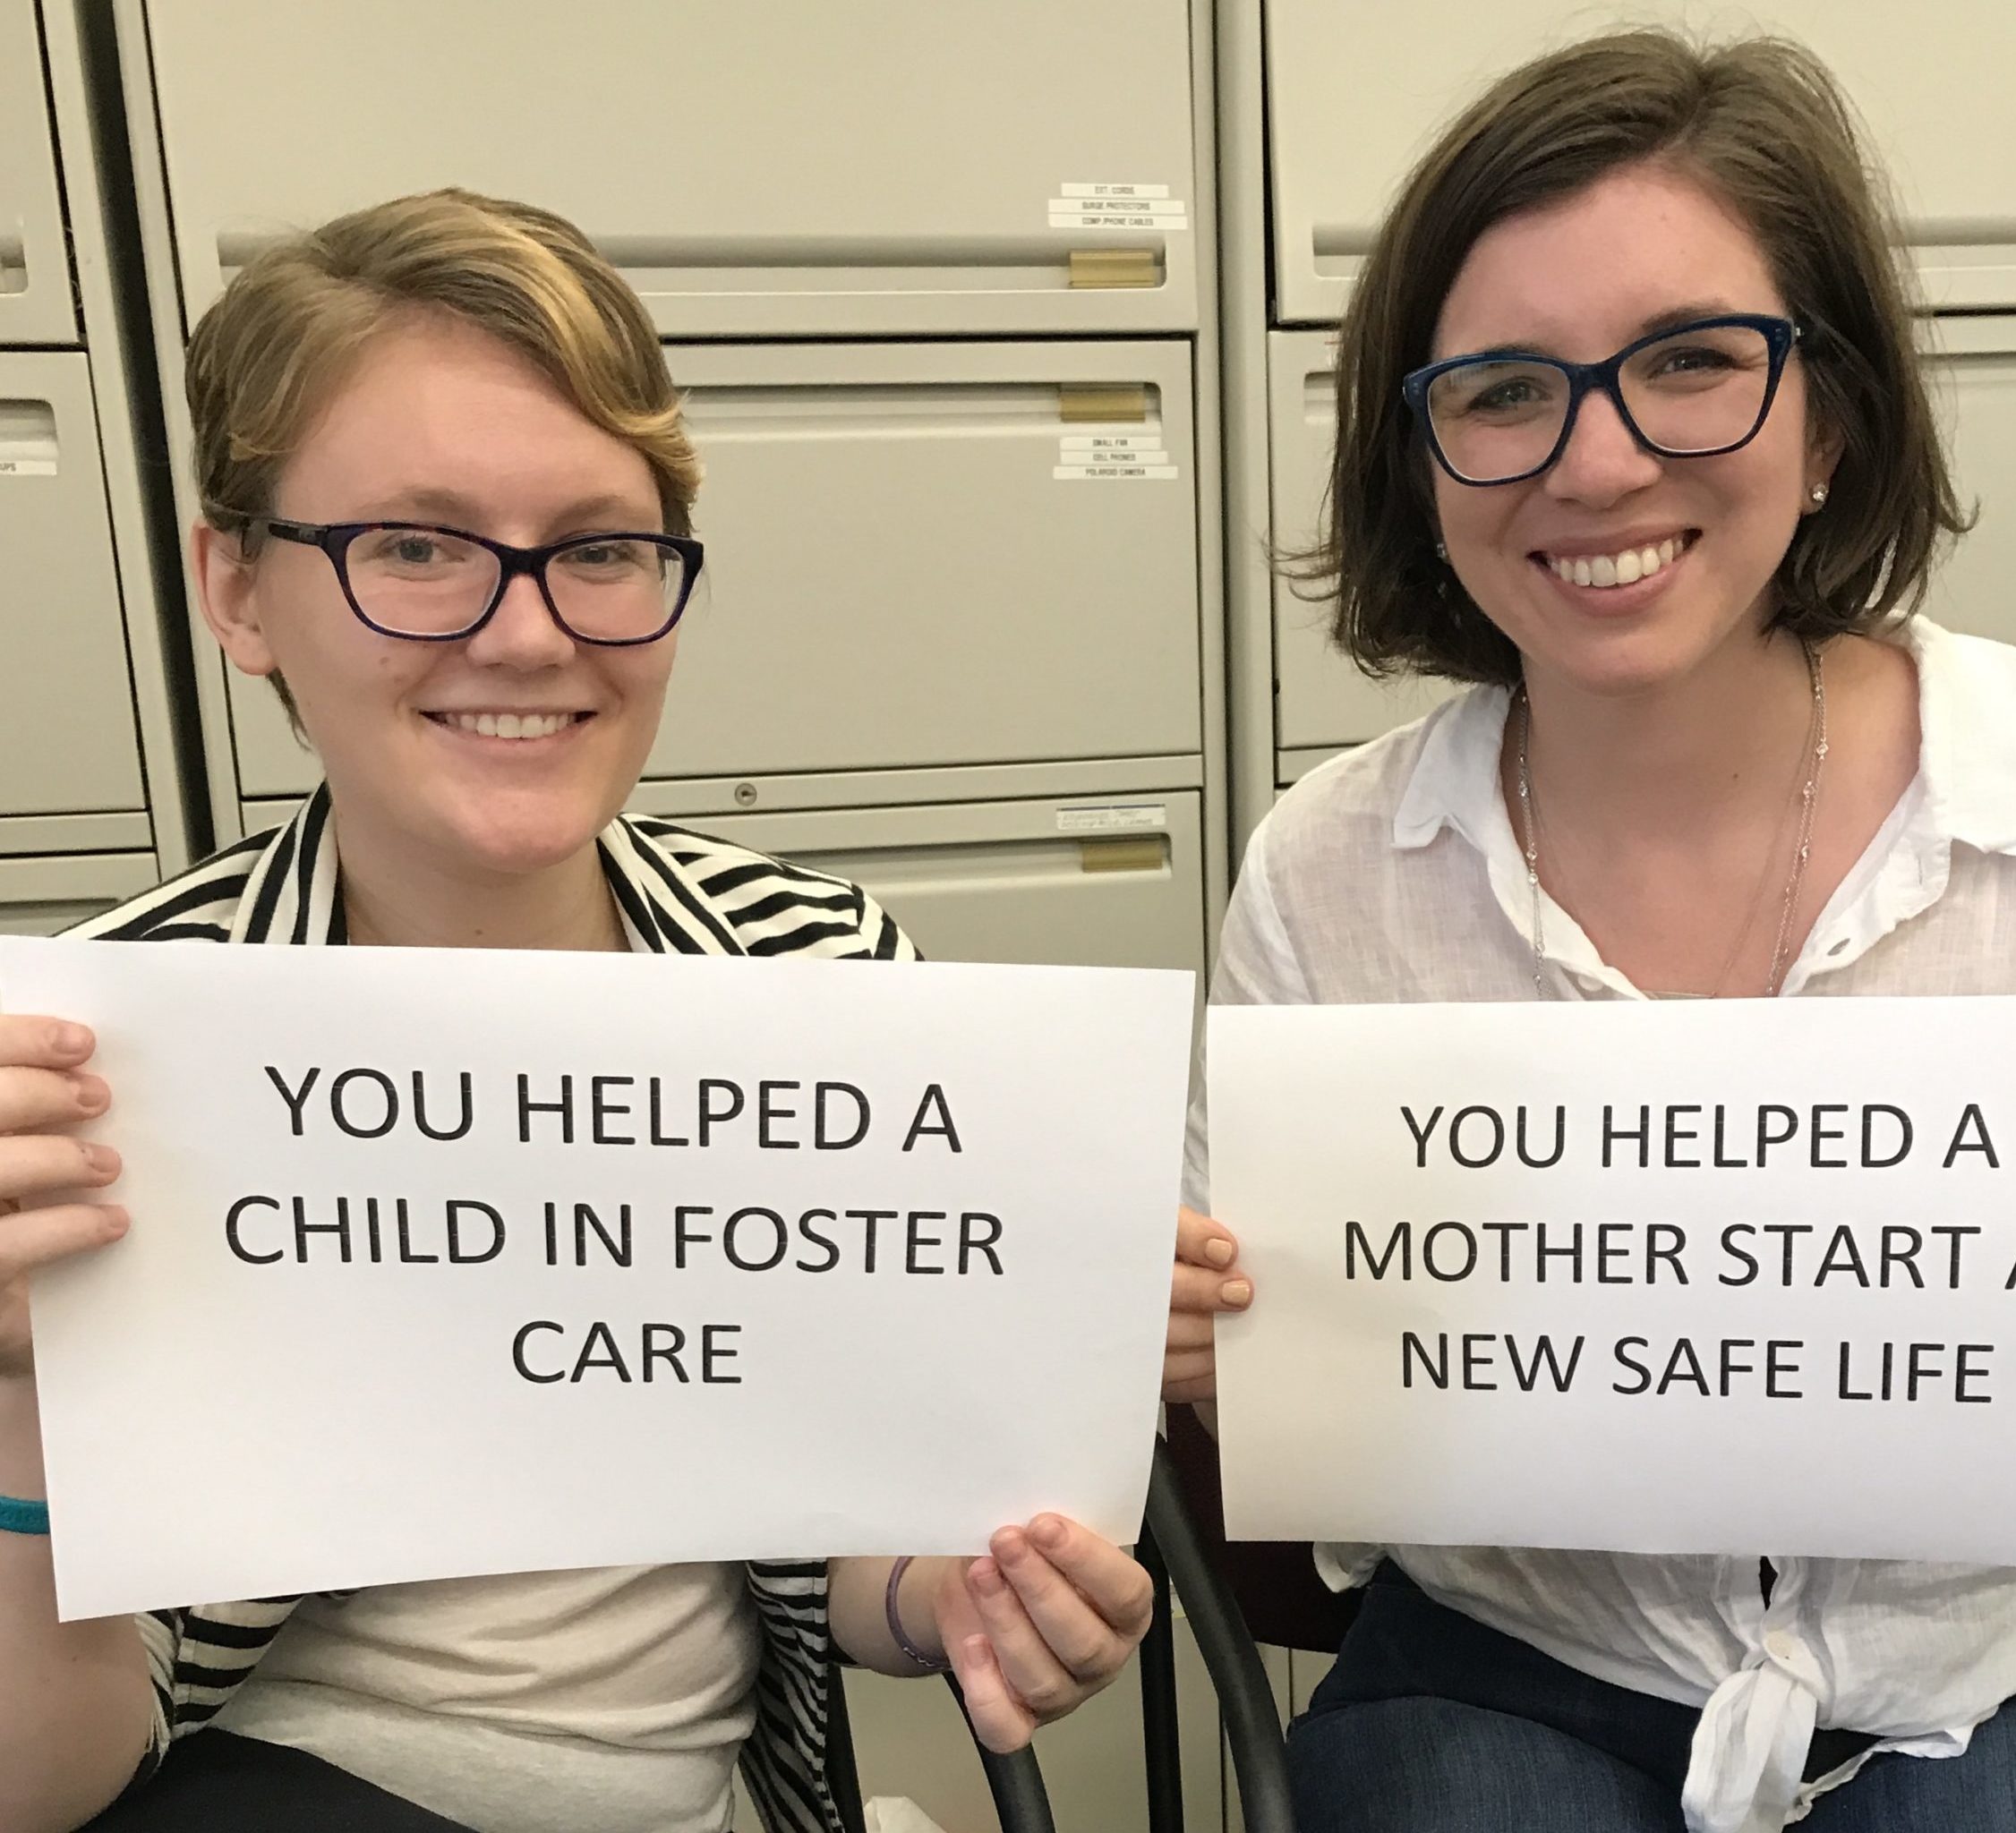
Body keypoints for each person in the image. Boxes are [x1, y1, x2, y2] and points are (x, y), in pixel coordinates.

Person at [1165, 30, 2016, 1833]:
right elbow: (1249, 1357)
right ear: (1414, 447)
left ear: (1826, 417)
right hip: (1507, 1650)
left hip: (1968, 1658)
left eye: (1687, 363)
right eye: (1500, 389)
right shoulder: (1331, 867)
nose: (1594, 462)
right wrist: (1192, 1337)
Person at [0, 189, 1153, 1833]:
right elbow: (44, 1790)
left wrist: (962, 1592)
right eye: (413, 545)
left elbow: (849, 1540)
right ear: (240, 591)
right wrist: (20, 1406)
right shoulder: (91, 1072)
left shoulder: (812, 969)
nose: (529, 632)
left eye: (600, 549)